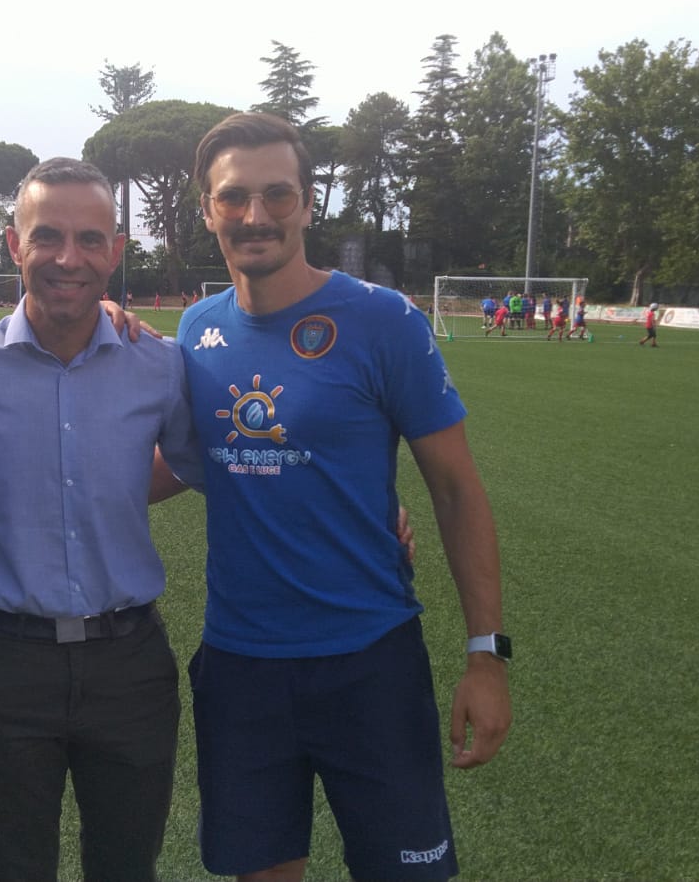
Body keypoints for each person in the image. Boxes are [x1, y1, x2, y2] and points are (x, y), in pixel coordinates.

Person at [174, 112, 510, 881]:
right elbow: (182, 461)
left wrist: (486, 655)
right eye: (233, 197)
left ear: (308, 202)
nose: (254, 215)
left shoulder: (382, 320)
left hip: (370, 662)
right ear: (206, 209)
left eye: (276, 194)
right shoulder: (193, 331)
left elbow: (457, 490)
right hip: (240, 666)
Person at [0, 157, 203, 882]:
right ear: (13, 245)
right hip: (5, 666)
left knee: (125, 868)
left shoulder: (159, 365)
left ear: (115, 249)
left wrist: (368, 506)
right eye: (46, 237)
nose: (67, 258)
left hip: (130, 664)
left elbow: (222, 459)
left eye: (88, 238)